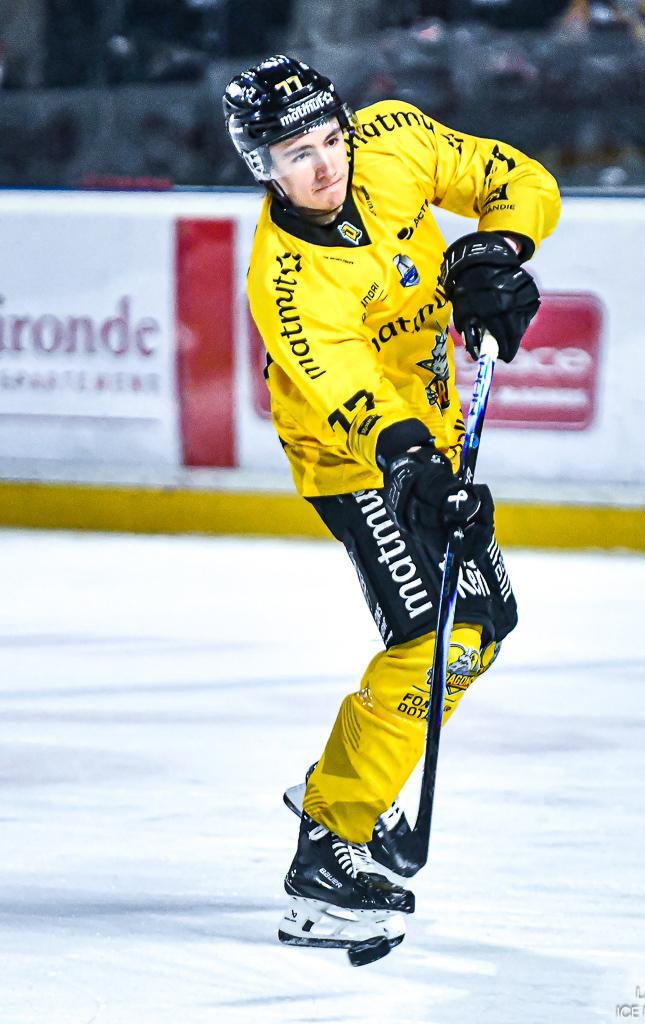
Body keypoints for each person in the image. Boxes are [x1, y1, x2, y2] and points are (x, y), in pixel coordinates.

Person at [223, 53, 560, 958]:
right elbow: (355, 397)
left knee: (481, 627)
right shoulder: (286, 281)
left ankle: (345, 780)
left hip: (430, 438)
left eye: (329, 140)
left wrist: (496, 250)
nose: (325, 165)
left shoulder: (395, 139)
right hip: (355, 458)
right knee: (438, 636)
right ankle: (325, 855)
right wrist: (417, 469)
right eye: (295, 154)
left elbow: (519, 180)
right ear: (261, 166)